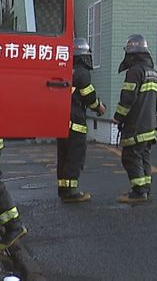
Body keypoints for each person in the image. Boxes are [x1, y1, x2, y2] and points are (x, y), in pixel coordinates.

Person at [57, 38, 106, 203]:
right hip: (76, 124)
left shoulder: (65, 69)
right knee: (75, 157)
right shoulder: (82, 73)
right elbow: (89, 96)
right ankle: (71, 192)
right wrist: (99, 107)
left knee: (63, 157)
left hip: (63, 122)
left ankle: (64, 189)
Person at [114, 34, 157, 205]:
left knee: (130, 157)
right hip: (149, 125)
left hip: (136, 125)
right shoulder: (153, 73)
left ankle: (138, 192)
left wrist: (118, 117)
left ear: (132, 54)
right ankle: (145, 188)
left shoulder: (134, 72)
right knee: (144, 156)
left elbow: (128, 98)